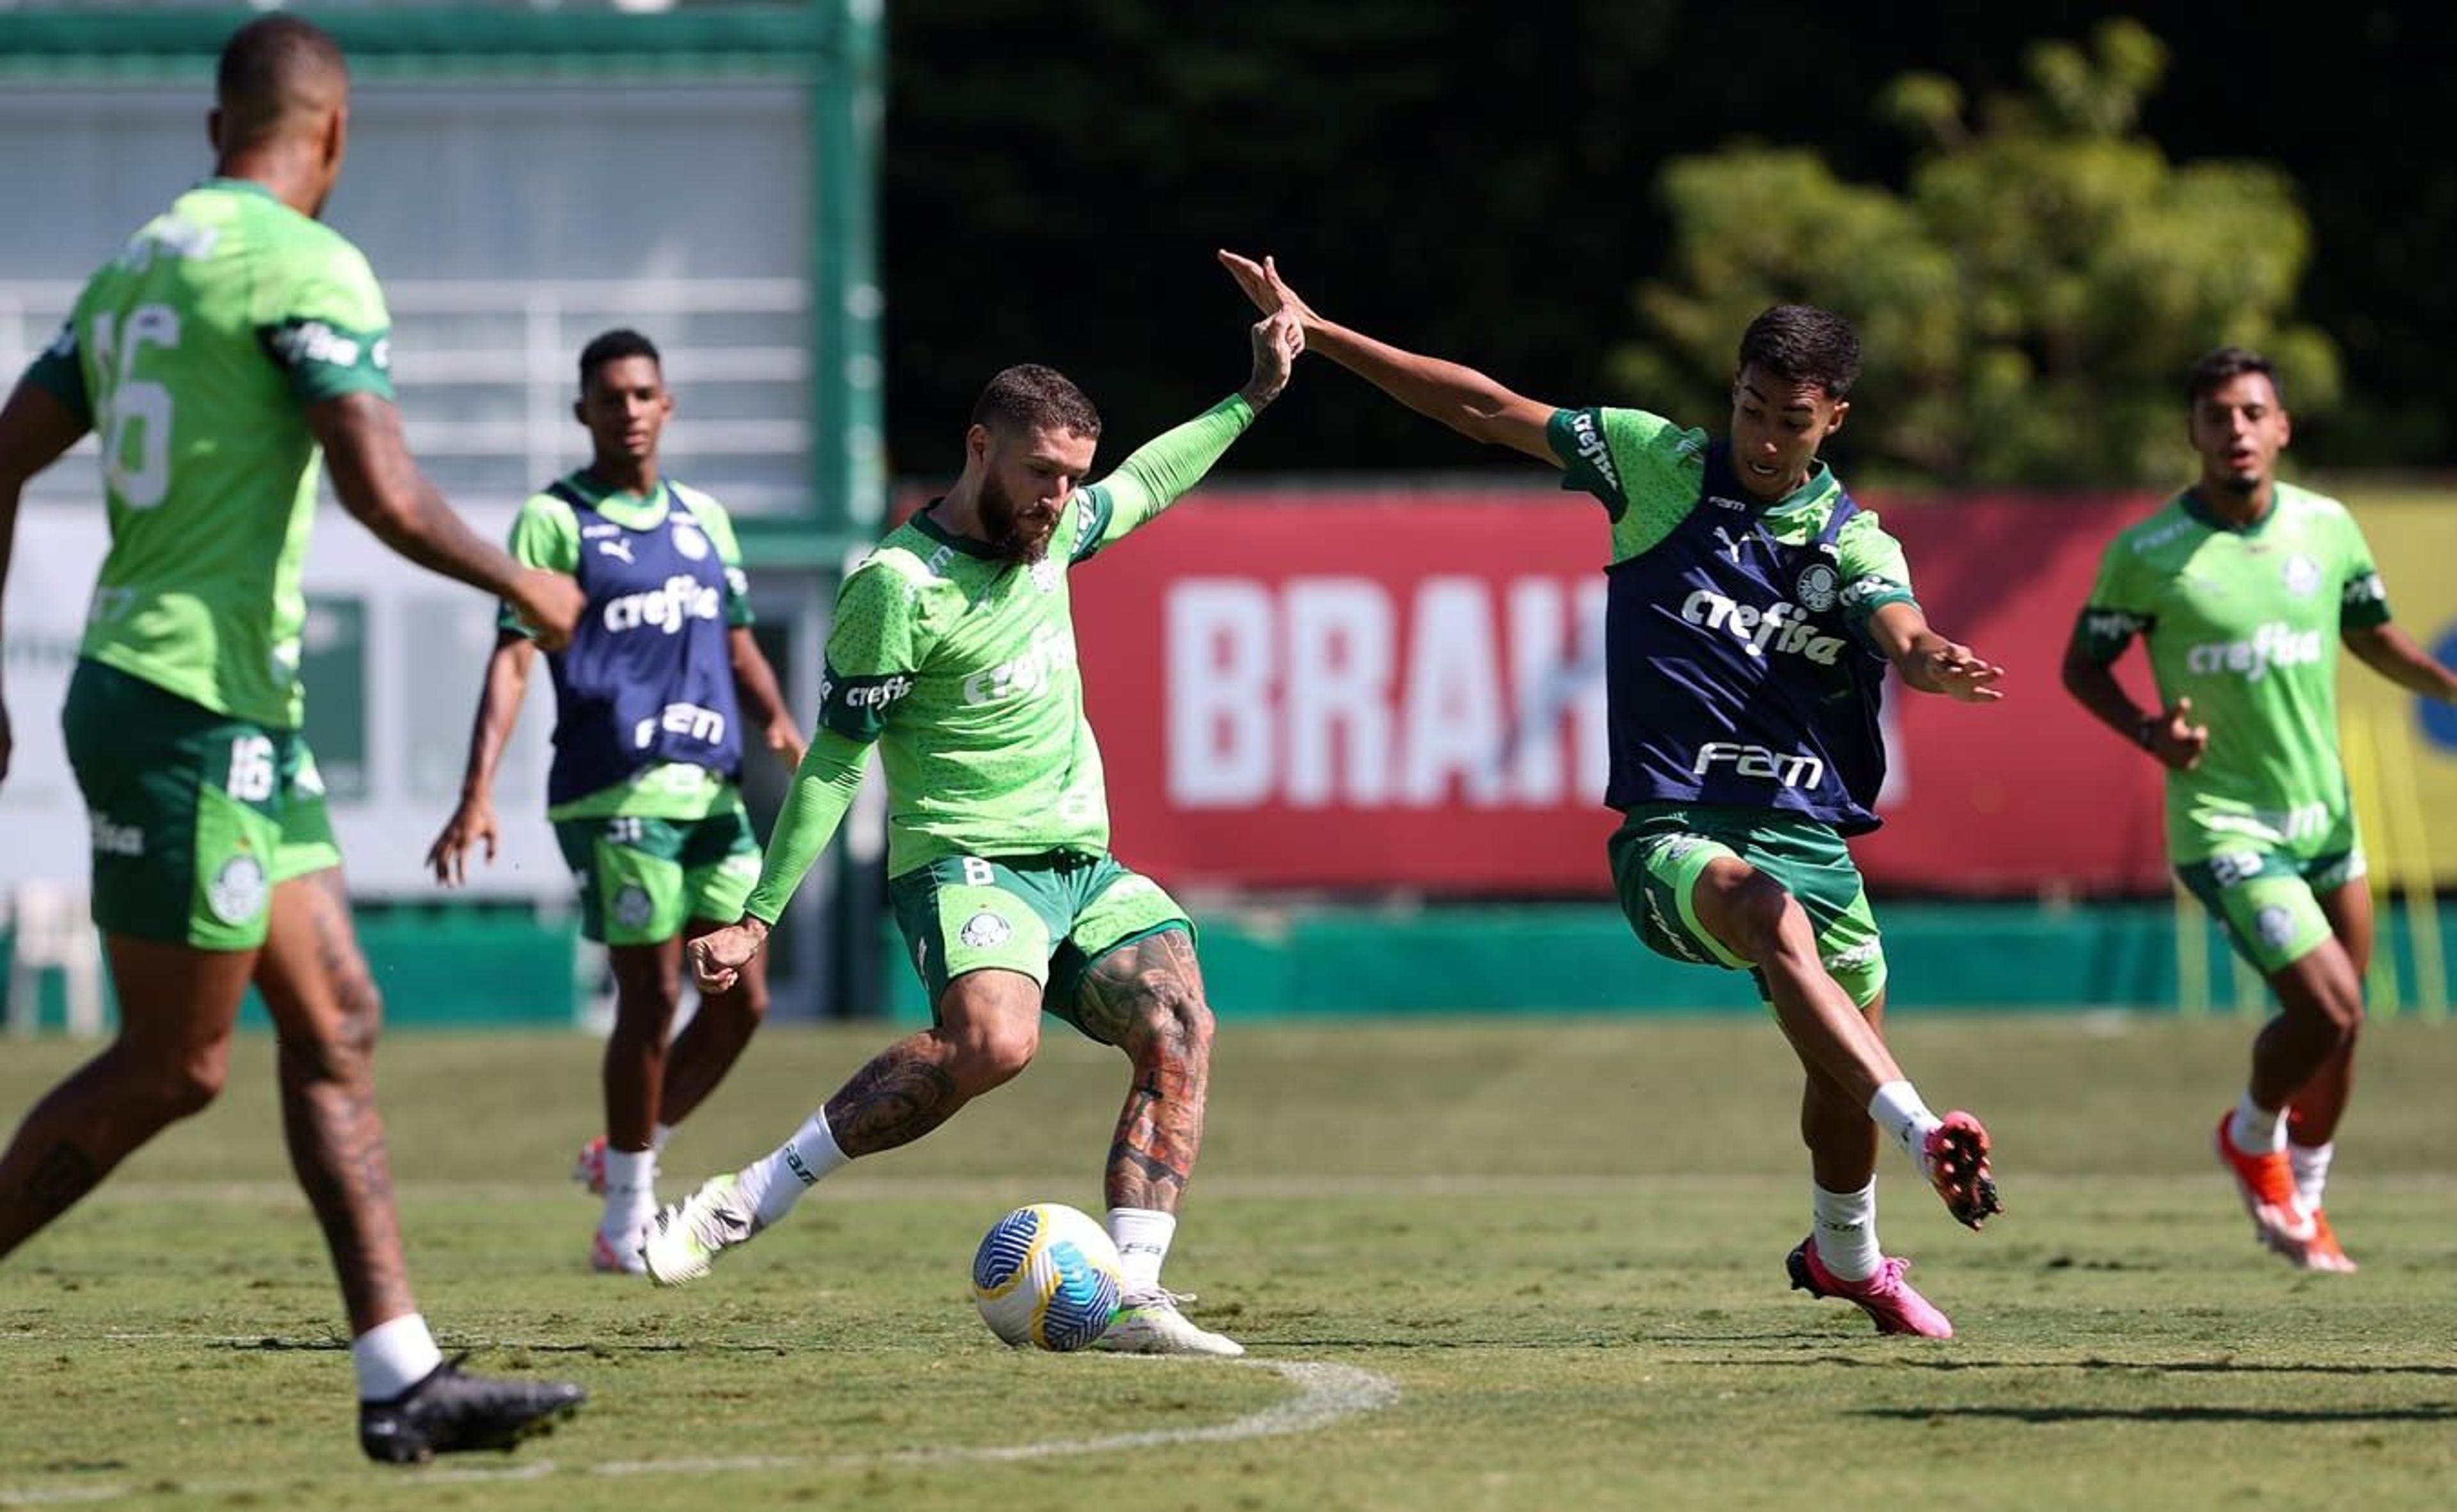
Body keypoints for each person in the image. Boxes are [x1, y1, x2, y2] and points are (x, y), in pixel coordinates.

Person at [1217, 251, 2003, 1338]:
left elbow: (1896, 625)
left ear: (1837, 421)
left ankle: (1846, 1254)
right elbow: (1484, 407)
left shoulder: (1852, 535)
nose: (1767, 441)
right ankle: (1926, 1136)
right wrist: (1324, 329)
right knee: (1773, 926)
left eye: (1795, 422)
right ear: (1733, 393)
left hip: (1809, 837)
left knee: (1838, 1062)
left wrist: (1923, 660)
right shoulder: (1656, 462)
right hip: (1672, 837)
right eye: (1752, 410)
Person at [0, 15, 587, 1461]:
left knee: (338, 1023)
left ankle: (402, 1379)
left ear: (221, 130)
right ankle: (400, 1375)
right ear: (333, 136)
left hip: (227, 709)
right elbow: (381, 490)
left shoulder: (142, 260)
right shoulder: (305, 262)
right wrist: (522, 580)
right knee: (174, 1065)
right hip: (183, 702)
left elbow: (3, 451)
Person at [637, 310, 1303, 1357]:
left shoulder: (1064, 530)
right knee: (996, 1042)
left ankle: (1132, 1290)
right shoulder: (894, 589)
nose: (1060, 498)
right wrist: (758, 919)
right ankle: (749, 1196)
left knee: (1180, 1024)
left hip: (1084, 864)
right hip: (963, 860)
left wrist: (1255, 393)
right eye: (1041, 472)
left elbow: (1155, 478)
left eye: (1074, 476)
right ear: (979, 446)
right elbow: (835, 762)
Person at [2063, 347, 2457, 1273]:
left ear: (2282, 427)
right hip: (2226, 825)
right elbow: (2082, 666)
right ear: (2194, 434)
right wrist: (2149, 733)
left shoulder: (2327, 528)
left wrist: (2446, 684)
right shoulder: (2150, 553)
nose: (2235, 431)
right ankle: (2251, 1135)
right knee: (2327, 1005)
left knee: (2346, 1026)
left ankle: (2306, 1200)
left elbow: (2374, 636)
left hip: (2326, 819)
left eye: (2252, 413)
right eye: (2217, 417)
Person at [425, 329, 804, 1275]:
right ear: (584, 413)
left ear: (666, 406)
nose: (629, 410)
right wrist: (477, 790)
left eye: (644, 394)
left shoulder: (703, 520)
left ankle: (630, 1148)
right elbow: (514, 655)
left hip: (710, 787)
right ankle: (624, 1217)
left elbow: (737, 638)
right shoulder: (555, 523)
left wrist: (780, 723)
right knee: (651, 992)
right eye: (611, 397)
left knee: (743, 997)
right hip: (613, 791)